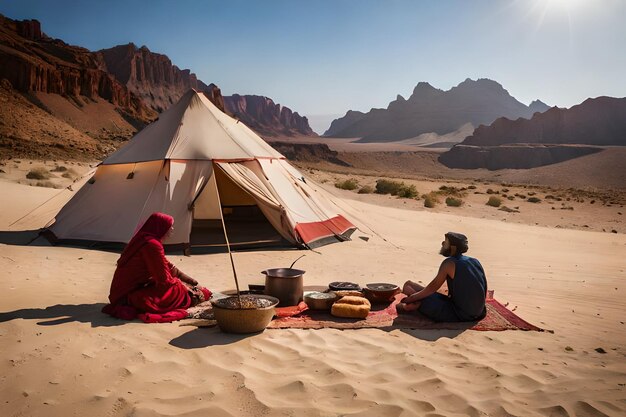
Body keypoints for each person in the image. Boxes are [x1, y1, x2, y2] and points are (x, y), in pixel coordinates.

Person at [102, 212, 212, 323]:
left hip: (121, 293)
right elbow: (163, 279)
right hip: (128, 296)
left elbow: (169, 267)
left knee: (179, 285)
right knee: (179, 291)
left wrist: (192, 281)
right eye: (170, 226)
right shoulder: (152, 245)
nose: (172, 229)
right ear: (160, 227)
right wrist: (186, 288)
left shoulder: (144, 240)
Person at [397, 232, 487, 322]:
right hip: (480, 312)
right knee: (409, 285)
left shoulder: (449, 263)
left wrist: (411, 298)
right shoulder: (475, 261)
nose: (443, 244)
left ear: (453, 247)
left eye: (446, 242)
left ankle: (413, 306)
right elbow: (483, 286)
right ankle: (416, 302)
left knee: (410, 291)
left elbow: (431, 289)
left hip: (460, 313)